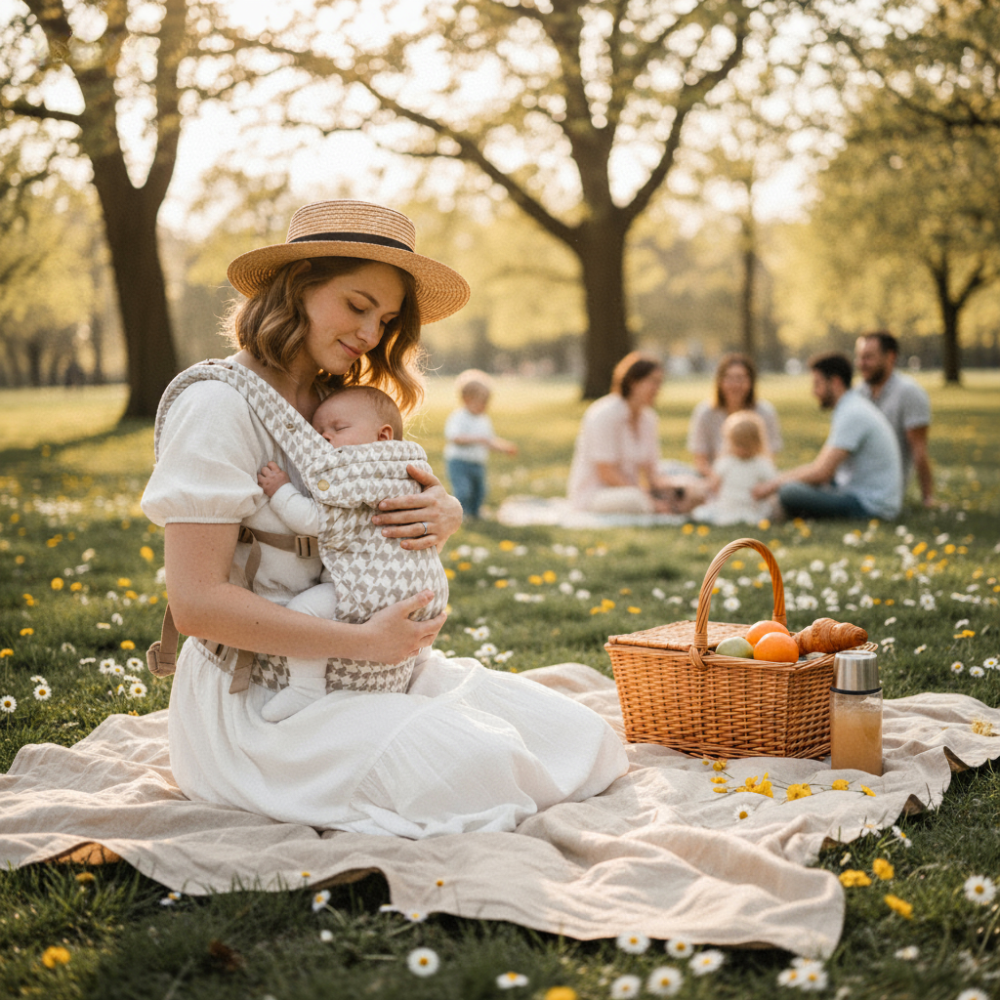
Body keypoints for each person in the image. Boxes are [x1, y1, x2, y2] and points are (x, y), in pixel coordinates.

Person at [140, 199, 627, 839]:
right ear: (299, 286)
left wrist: (442, 512)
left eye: (387, 318)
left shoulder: (332, 402)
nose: (371, 333)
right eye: (357, 304)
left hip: (369, 666)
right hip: (261, 700)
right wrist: (364, 642)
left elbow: (371, 513)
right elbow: (198, 604)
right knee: (482, 766)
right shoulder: (215, 407)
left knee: (580, 737)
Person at [254, 386, 449, 723]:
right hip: (425, 588)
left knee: (303, 612)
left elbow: (314, 520)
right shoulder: (411, 468)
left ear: (383, 436)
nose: (325, 438)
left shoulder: (354, 475)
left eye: (338, 429)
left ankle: (305, 688)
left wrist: (280, 490)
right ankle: (417, 669)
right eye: (319, 433)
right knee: (417, 629)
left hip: (368, 586)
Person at [753, 352, 903, 520]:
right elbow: (824, 468)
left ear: (836, 382)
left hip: (869, 505)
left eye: (817, 384)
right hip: (854, 490)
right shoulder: (850, 406)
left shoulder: (852, 413)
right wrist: (778, 479)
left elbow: (822, 472)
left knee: (788, 491)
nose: (813, 392)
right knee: (787, 483)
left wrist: (773, 484)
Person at [566, 352, 677, 514]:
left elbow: (652, 471)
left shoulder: (649, 419)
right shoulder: (603, 414)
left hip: (634, 489)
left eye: (660, 383)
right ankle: (656, 507)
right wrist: (646, 495)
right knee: (635, 500)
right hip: (597, 494)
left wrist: (671, 491)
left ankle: (663, 506)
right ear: (633, 382)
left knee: (690, 489)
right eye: (653, 382)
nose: (658, 389)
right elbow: (606, 472)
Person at [854, 330, 935, 507]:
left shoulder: (910, 393)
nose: (861, 363)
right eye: (859, 357)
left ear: (890, 357)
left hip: (886, 486)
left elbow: (919, 450)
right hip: (855, 479)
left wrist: (928, 497)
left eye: (868, 357)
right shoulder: (858, 392)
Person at [686, 352, 782, 478]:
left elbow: (770, 457)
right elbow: (700, 461)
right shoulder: (705, 412)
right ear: (720, 381)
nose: (735, 385)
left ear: (751, 381)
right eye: (729, 378)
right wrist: (718, 481)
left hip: (754, 478)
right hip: (715, 479)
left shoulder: (765, 412)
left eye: (741, 378)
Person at [443, 369, 517, 519]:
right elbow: (454, 438)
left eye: (487, 402)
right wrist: (476, 439)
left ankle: (475, 514)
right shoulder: (459, 417)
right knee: (463, 491)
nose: (485, 406)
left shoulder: (484, 420)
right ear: (466, 399)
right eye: (482, 401)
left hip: (477, 463)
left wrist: (503, 448)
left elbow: (489, 440)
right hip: (459, 462)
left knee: (480, 491)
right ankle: (460, 515)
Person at [690, 411, 778, 526]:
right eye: (738, 444)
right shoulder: (726, 463)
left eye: (746, 445)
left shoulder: (762, 464)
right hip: (728, 507)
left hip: (752, 508)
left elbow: (772, 485)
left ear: (757, 443)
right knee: (700, 512)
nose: (742, 449)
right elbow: (714, 484)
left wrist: (764, 490)